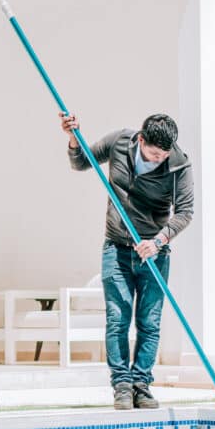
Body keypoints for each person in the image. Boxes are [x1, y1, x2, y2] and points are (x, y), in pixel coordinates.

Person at [60, 112, 194, 410]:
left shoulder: (179, 164)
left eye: (164, 154)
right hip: (117, 248)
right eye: (154, 154)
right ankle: (121, 384)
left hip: (155, 253)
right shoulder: (119, 141)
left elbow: (185, 211)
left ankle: (141, 385)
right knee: (117, 319)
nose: (159, 159)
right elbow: (81, 162)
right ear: (141, 140)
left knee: (149, 322)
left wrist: (158, 241)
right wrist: (73, 137)